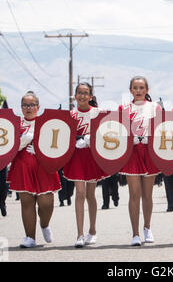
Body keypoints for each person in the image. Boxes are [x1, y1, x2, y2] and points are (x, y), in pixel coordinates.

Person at [7, 91, 61, 248]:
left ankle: (44, 224)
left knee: (46, 203)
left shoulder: (46, 122)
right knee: (26, 202)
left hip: (44, 167)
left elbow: (57, 143)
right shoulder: (15, 124)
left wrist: (42, 150)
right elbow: (7, 148)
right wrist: (21, 142)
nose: (28, 108)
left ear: (38, 106)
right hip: (23, 166)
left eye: (31, 105)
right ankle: (30, 237)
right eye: (24, 105)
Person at [62, 83, 108, 248]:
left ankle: (93, 230)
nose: (82, 96)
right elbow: (63, 136)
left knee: (90, 194)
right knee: (79, 193)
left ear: (90, 96)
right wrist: (74, 142)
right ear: (75, 96)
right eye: (79, 93)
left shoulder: (97, 113)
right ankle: (79, 234)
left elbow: (105, 133)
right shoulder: (70, 115)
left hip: (91, 156)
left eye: (85, 93)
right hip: (76, 157)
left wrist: (91, 139)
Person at [119, 76, 161, 246]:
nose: (138, 90)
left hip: (148, 152)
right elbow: (119, 130)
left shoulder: (155, 107)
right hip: (132, 154)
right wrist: (131, 138)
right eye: (135, 88)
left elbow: (160, 130)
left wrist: (148, 138)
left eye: (141, 87)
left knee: (147, 195)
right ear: (130, 90)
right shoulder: (124, 108)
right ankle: (135, 233)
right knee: (134, 194)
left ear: (147, 90)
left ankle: (147, 227)